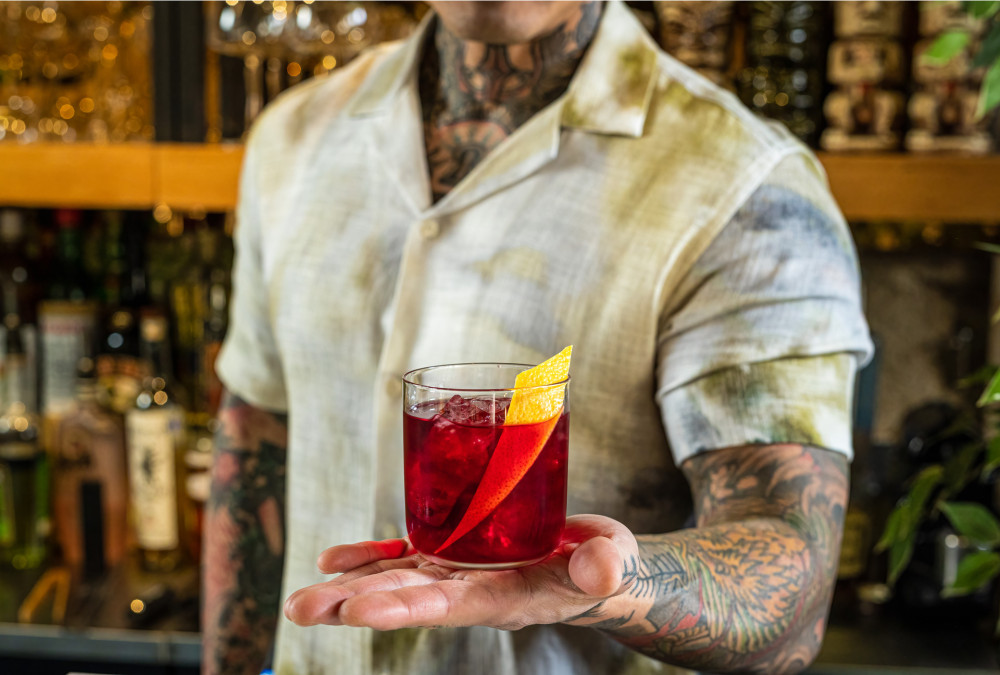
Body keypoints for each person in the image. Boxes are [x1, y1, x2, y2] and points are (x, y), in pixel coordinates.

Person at [203, 2, 873, 674]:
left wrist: (610, 581)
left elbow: (792, 580)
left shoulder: (747, 185)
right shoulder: (294, 135)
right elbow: (256, 441)